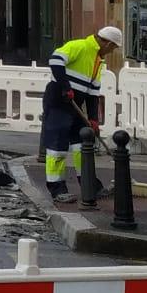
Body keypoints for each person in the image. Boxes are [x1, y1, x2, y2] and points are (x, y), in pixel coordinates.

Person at [41, 25, 123, 200]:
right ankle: (57, 189)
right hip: (58, 101)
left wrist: (93, 119)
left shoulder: (98, 61)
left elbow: (93, 93)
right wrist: (65, 86)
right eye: (113, 48)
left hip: (75, 105)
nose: (112, 52)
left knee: (82, 144)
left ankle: (90, 185)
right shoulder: (79, 46)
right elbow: (55, 60)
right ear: (107, 43)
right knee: (58, 147)